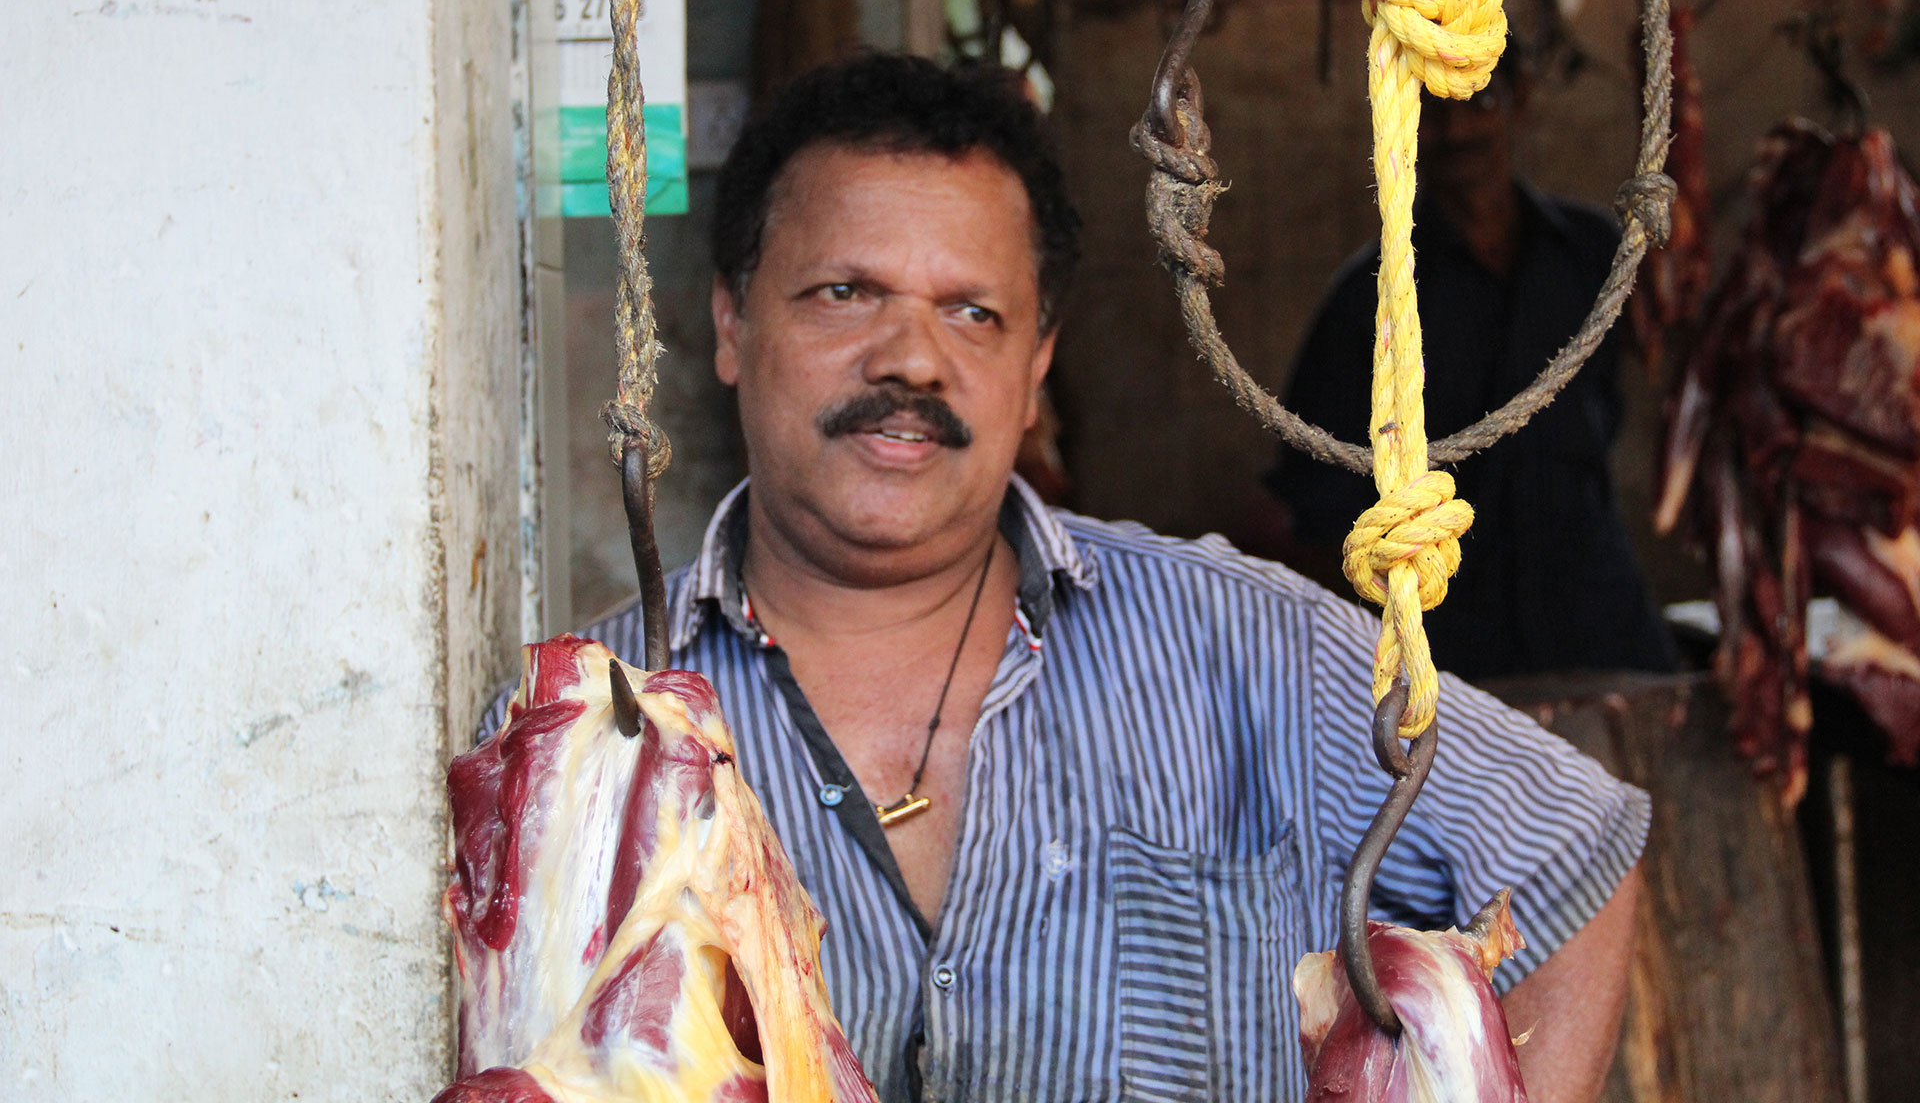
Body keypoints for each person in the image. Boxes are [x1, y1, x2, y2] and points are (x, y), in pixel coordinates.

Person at [561, 53, 1645, 1103]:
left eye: (973, 312)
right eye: (846, 292)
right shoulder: (588, 733)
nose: (912, 358)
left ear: (1035, 368)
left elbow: (1571, 855)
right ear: (730, 325)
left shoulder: (1247, 644)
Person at [1263, 54, 1678, 681]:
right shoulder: (1367, 300)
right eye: (1431, 112)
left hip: (1602, 630)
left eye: (1476, 103)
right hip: (1456, 668)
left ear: (1520, 98)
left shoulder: (1594, 255)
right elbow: (1303, 505)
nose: (1456, 132)